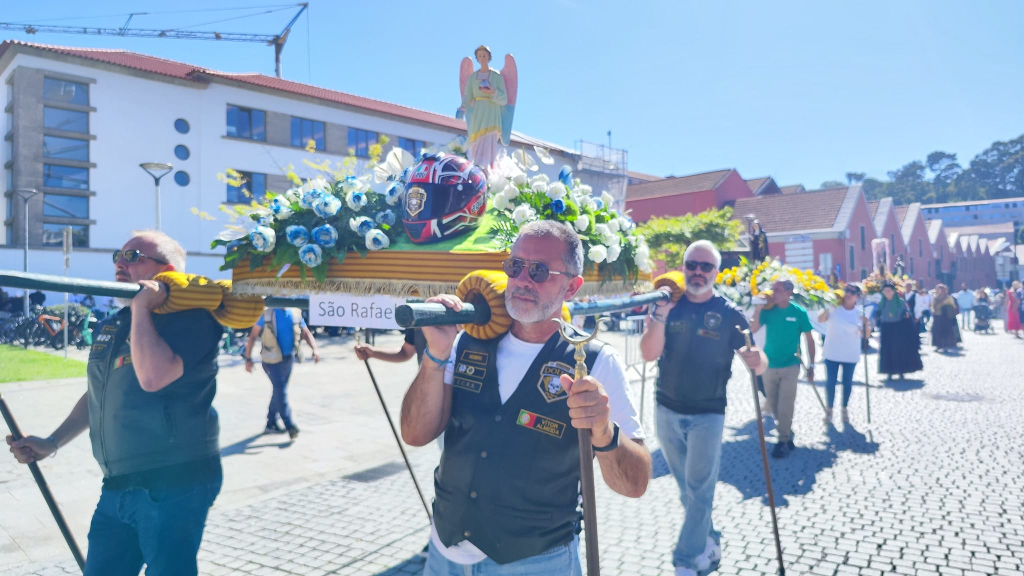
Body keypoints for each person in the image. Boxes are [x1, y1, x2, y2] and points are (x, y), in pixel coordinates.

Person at [401, 220, 651, 575]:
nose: (522, 280)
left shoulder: (594, 360)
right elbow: (414, 434)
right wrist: (435, 356)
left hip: (536, 561)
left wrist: (604, 430)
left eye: (539, 270)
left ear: (572, 286)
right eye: (515, 266)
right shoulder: (466, 340)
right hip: (445, 552)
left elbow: (635, 483)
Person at [6, 230, 224, 576]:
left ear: (167, 270)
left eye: (134, 257)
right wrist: (51, 442)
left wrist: (142, 309)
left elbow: (153, 378)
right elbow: (100, 393)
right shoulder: (116, 323)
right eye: (118, 256)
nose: (120, 264)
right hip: (117, 485)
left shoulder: (193, 317)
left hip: (174, 482)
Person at [640, 240, 767, 576]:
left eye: (705, 266)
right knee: (687, 490)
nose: (698, 271)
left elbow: (758, 361)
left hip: (708, 414)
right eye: (692, 264)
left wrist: (758, 360)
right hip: (665, 409)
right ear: (683, 267)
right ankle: (710, 539)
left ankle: (686, 559)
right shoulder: (669, 305)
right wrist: (660, 314)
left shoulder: (729, 314)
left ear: (716, 271)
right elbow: (648, 353)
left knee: (699, 490)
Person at [749, 279, 816, 459]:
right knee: (773, 404)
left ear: (788, 293)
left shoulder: (798, 312)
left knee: (786, 403)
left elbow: (810, 339)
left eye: (777, 290)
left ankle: (782, 440)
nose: (772, 293)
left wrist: (812, 365)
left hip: (790, 365)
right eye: (772, 289)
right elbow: (753, 329)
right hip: (769, 365)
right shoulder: (768, 311)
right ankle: (787, 433)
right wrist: (758, 308)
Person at [243, 307, 320, 439]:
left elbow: (306, 332)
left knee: (278, 391)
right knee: (281, 390)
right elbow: (253, 336)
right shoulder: (267, 313)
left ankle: (271, 423)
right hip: (270, 360)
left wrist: (315, 349)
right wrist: (248, 358)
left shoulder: (295, 312)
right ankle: (290, 425)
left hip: (287, 359)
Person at [818, 284, 869, 424]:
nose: (848, 294)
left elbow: (866, 335)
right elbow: (820, 320)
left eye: (853, 292)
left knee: (847, 383)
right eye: (847, 290)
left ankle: (844, 409)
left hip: (850, 353)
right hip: (832, 352)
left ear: (857, 297)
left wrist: (867, 324)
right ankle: (829, 409)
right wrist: (828, 307)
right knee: (830, 382)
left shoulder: (860, 313)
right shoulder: (834, 308)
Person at [459, 45, 509, 169]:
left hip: (492, 111)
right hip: (478, 113)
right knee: (476, 140)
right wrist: (462, 107)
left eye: (484, 55)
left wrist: (492, 92)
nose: (482, 58)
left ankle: (488, 167)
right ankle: (477, 166)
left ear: (489, 57)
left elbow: (504, 99)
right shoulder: (472, 78)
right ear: (477, 58)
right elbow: (467, 96)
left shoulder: (497, 77)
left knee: (489, 138)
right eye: (479, 56)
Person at [871, 281, 923, 379]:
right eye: (885, 291)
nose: (887, 292)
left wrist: (906, 315)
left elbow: (906, 313)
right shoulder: (881, 303)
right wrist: (875, 315)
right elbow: (877, 314)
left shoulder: (900, 302)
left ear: (893, 292)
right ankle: (889, 371)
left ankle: (900, 371)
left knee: (899, 350)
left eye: (889, 290)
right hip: (886, 328)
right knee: (887, 350)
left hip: (898, 329)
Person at [931, 283, 961, 352]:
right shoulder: (935, 297)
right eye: (937, 289)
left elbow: (953, 307)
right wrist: (933, 310)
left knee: (946, 331)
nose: (937, 290)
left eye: (939, 289)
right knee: (937, 331)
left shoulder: (948, 297)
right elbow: (933, 306)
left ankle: (946, 345)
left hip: (946, 318)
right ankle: (939, 345)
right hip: (937, 316)